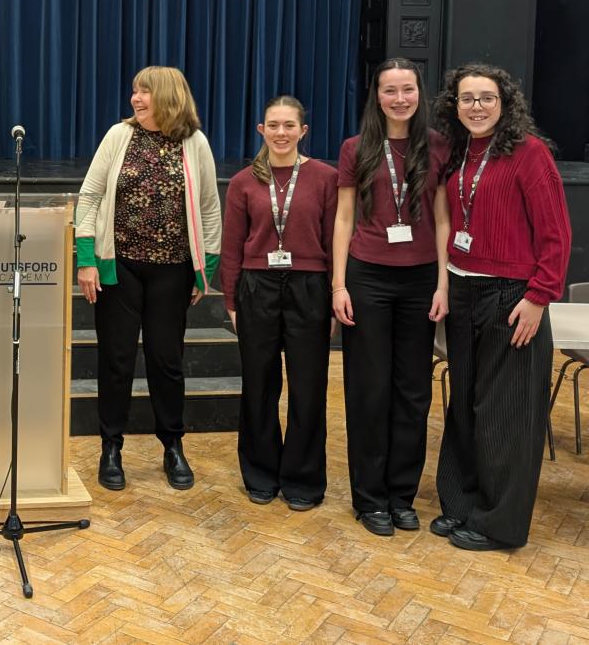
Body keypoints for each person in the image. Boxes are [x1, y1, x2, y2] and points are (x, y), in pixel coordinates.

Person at [430, 63, 571, 551]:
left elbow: (556, 235)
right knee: (466, 404)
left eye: (486, 97)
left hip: (514, 296)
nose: (476, 106)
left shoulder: (529, 154)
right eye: (466, 98)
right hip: (466, 289)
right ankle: (462, 504)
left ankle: (500, 525)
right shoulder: (457, 153)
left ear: (505, 102)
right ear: (455, 106)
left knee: (505, 414)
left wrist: (538, 298)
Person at [75, 66, 221, 491]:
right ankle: (111, 447)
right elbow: (90, 195)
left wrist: (204, 268)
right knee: (116, 360)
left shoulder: (195, 143)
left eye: (145, 93)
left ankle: (173, 446)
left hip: (173, 271)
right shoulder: (118, 136)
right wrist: (87, 259)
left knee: (167, 361)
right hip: (118, 267)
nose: (135, 99)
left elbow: (210, 208)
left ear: (169, 97)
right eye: (134, 92)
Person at [331, 58, 450, 537]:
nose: (399, 98)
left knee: (413, 392)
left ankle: (402, 494)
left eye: (408, 89)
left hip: (421, 280)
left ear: (419, 93)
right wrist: (338, 285)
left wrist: (444, 283)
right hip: (368, 279)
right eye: (389, 90)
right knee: (369, 389)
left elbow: (443, 220)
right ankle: (369, 496)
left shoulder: (438, 145)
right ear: (376, 96)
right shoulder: (356, 148)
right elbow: (343, 219)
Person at [220, 96, 338, 511]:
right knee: (259, 386)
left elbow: (333, 241)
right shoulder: (242, 182)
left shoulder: (326, 178)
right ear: (261, 130)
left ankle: (303, 480)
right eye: (274, 125)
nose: (282, 132)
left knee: (308, 389)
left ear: (303, 131)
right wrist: (232, 300)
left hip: (310, 288)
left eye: (290, 125)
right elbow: (232, 246)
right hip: (258, 289)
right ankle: (260, 472)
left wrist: (333, 294)